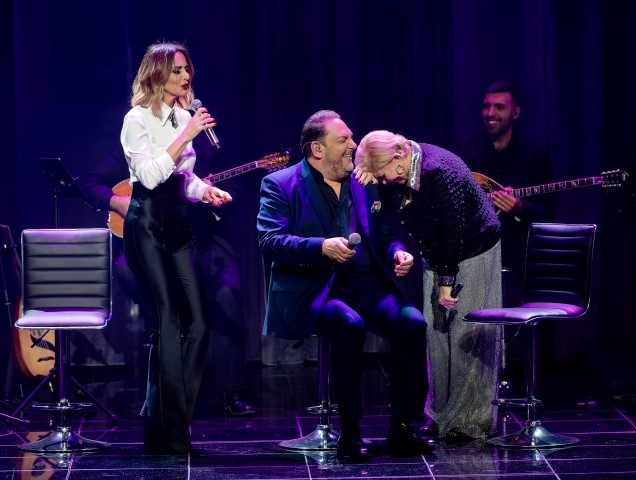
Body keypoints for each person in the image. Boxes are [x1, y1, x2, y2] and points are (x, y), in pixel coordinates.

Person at [257, 110, 432, 463]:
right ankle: (350, 432)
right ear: (317, 149)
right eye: (344, 140)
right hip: (316, 287)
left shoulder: (363, 181)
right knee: (349, 325)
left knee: (413, 323)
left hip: (365, 284)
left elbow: (385, 234)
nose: (354, 144)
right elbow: (270, 241)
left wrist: (398, 253)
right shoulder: (280, 184)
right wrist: (320, 246)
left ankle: (401, 427)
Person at [77, 139, 256, 418]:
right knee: (128, 272)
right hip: (154, 241)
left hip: (202, 238)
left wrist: (211, 198)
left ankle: (230, 391)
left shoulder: (209, 149)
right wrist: (118, 202)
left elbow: (233, 199)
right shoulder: (136, 145)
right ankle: (161, 385)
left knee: (228, 292)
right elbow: (90, 183)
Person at [120, 41, 233, 454]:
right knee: (167, 322)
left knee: (199, 323)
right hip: (147, 225)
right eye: (177, 70)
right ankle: (171, 431)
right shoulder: (136, 119)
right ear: (157, 74)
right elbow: (150, 177)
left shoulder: (183, 116)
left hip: (180, 226)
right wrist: (186, 134)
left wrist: (205, 192)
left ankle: (165, 418)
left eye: (187, 69)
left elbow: (183, 177)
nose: (186, 77)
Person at [354, 131, 502, 440]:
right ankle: (440, 415)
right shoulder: (395, 172)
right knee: (436, 335)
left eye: (383, 175)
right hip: (437, 255)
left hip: (473, 249)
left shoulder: (438, 169)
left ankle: (469, 422)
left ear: (398, 157)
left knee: (466, 334)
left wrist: (446, 281)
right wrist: (370, 180)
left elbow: (453, 229)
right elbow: (398, 212)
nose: (385, 182)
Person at [458, 80, 556, 295]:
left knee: (545, 286)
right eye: (486, 106)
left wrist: (520, 208)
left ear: (515, 113)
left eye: (499, 107)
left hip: (522, 247)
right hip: (479, 248)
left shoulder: (535, 154)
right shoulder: (467, 153)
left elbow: (549, 211)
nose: (490, 113)